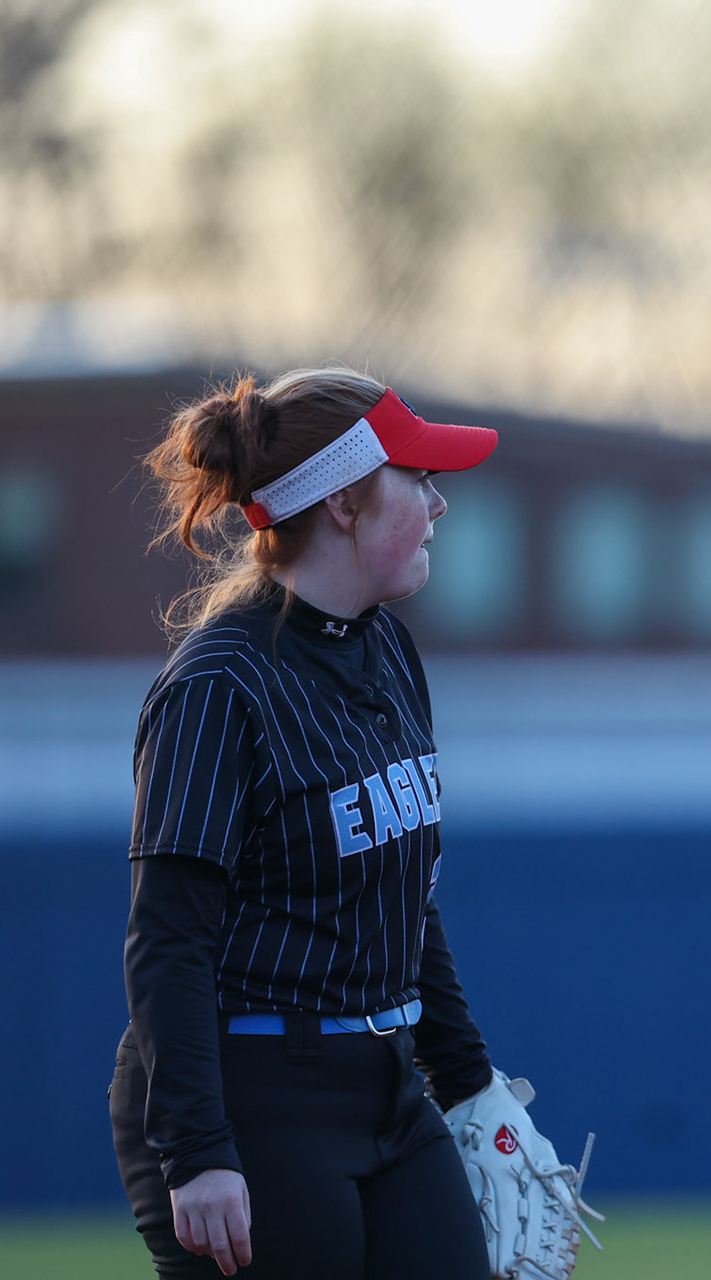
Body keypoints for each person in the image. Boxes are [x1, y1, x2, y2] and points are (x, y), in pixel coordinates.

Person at [109, 368, 511, 1278]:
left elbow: (405, 901)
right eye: (417, 479)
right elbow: (167, 939)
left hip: (384, 1085)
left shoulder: (386, 649)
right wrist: (198, 1150)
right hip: (251, 1097)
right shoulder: (219, 686)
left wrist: (470, 1083)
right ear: (343, 503)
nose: (439, 505)